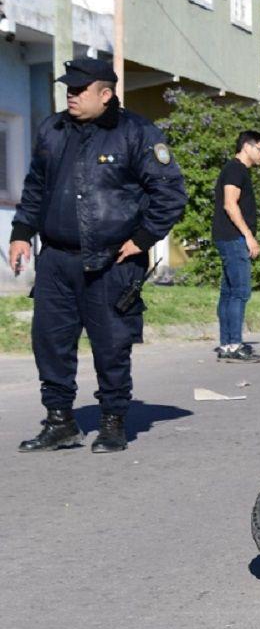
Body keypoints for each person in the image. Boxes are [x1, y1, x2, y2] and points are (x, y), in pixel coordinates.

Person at [7, 57, 186, 453]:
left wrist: (143, 238)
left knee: (111, 345)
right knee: (50, 343)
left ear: (105, 94)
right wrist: (21, 233)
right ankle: (60, 422)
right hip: (56, 260)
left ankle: (112, 422)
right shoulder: (52, 129)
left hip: (111, 262)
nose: (70, 95)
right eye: (67, 89)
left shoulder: (136, 132)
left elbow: (170, 192)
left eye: (78, 89)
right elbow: (35, 186)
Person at [213, 130, 260, 363]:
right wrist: (248, 236)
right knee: (240, 292)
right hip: (234, 238)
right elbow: (230, 204)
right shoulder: (235, 169)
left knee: (229, 293)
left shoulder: (236, 170)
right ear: (247, 146)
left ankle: (227, 345)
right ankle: (234, 344)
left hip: (228, 238)